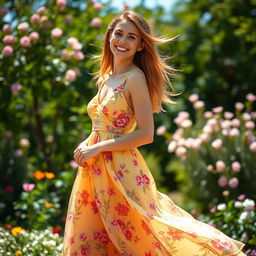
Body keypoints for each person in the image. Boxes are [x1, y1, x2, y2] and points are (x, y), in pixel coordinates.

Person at [61, 10, 247, 256]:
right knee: (96, 236)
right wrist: (87, 145)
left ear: (140, 46)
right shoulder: (105, 79)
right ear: (109, 37)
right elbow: (101, 126)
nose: (122, 41)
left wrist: (97, 147)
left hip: (121, 169)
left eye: (131, 37)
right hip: (94, 169)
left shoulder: (135, 78)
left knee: (140, 231)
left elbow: (146, 134)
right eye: (118, 34)